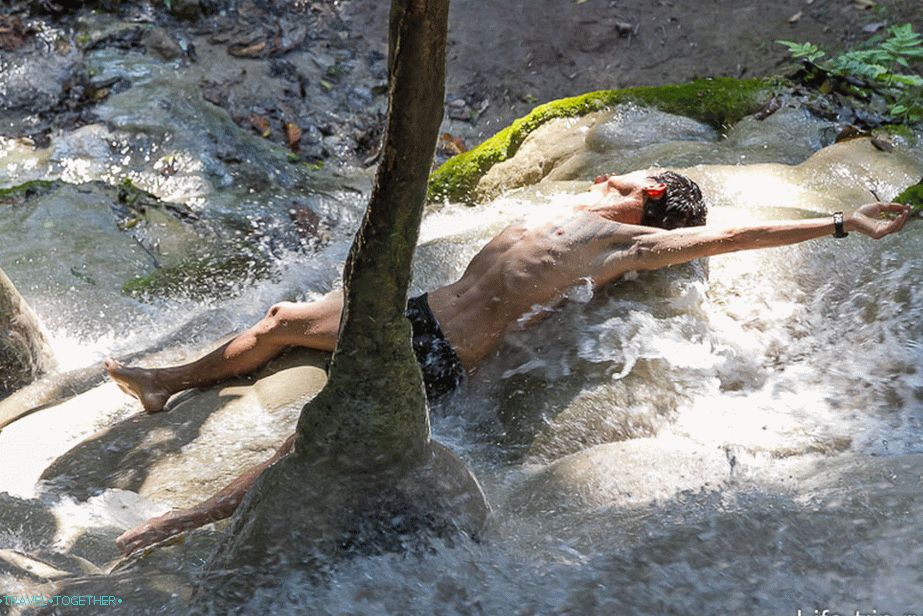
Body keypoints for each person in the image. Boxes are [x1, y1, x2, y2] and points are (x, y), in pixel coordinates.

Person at [108, 170, 912, 555]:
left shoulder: (625, 243)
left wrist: (842, 223)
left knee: (306, 445)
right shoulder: (566, 212)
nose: (612, 176)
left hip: (440, 349)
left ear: (652, 202)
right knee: (284, 318)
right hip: (413, 312)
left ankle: (182, 522)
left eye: (631, 179)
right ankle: (164, 384)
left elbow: (730, 237)